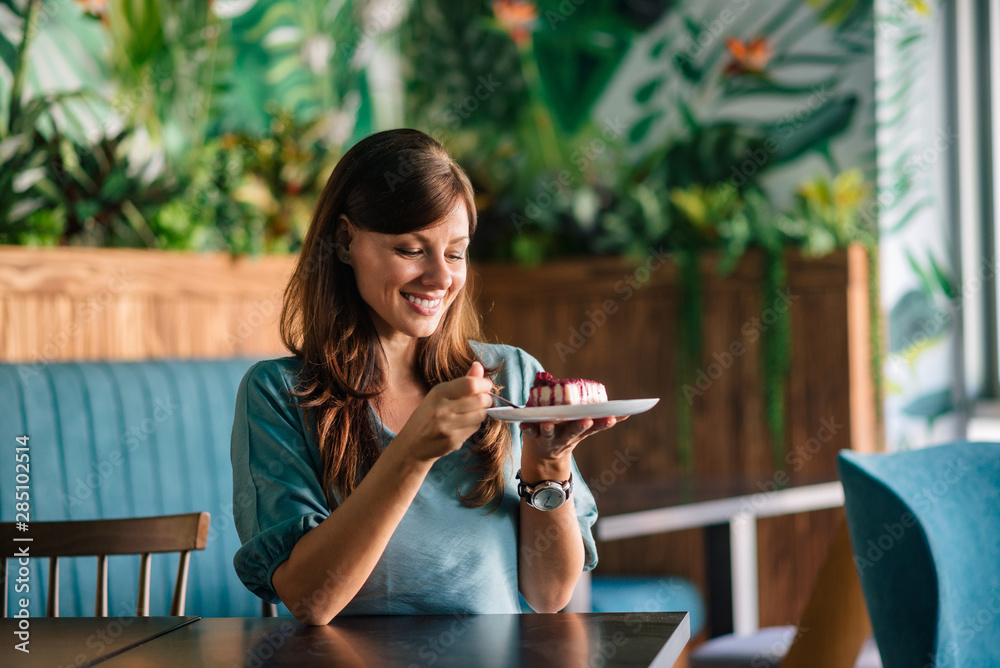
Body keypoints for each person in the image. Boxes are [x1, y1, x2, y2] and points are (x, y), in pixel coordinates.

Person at [231, 128, 625, 625]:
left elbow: (550, 594)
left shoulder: (513, 374)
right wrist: (412, 451)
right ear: (345, 240)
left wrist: (548, 465)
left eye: (455, 252)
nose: (441, 277)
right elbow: (311, 600)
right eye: (411, 250)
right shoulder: (280, 395)